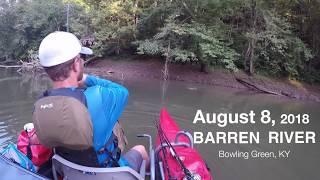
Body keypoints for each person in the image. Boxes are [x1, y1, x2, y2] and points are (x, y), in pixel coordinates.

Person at [32, 31, 148, 171]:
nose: (83, 62)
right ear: (75, 64)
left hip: (69, 172)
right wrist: (87, 79)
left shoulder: (41, 105)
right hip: (107, 174)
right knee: (140, 149)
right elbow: (123, 91)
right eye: (82, 58)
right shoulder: (98, 96)